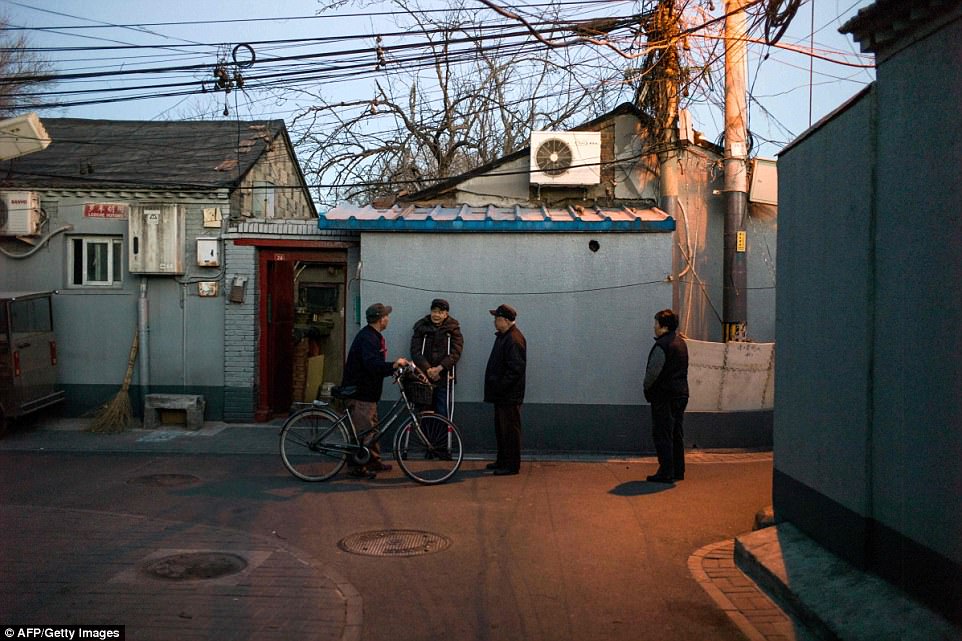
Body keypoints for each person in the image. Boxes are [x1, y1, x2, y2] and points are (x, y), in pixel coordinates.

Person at [340, 302, 410, 479]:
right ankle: (357, 468)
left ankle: (373, 461)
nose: (388, 318)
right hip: (360, 393)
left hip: (368, 393)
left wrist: (391, 368)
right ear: (380, 319)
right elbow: (371, 364)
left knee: (373, 428)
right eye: (386, 316)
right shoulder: (368, 338)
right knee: (364, 431)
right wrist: (393, 365)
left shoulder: (373, 336)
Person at [643, 308, 689, 483]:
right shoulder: (681, 343)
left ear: (663, 326)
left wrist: (647, 390)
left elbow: (652, 373)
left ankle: (665, 471)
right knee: (676, 433)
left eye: (656, 323)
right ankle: (678, 470)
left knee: (663, 433)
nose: (654, 327)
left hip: (664, 396)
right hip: (681, 394)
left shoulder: (662, 345)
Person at [483, 304, 526, 476]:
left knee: (510, 431)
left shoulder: (513, 339)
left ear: (506, 320)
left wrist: (499, 387)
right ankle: (502, 460)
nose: (494, 322)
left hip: (508, 395)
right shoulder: (505, 337)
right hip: (503, 395)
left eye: (497, 318)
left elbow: (515, 369)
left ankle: (511, 465)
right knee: (502, 430)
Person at [410, 298, 464, 418]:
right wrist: (428, 369)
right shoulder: (421, 326)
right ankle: (423, 435)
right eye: (434, 311)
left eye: (440, 312)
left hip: (444, 376)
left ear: (446, 314)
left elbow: (456, 352)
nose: (436, 315)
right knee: (422, 411)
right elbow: (415, 351)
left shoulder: (453, 328)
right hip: (424, 377)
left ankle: (442, 436)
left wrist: (439, 368)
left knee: (442, 411)